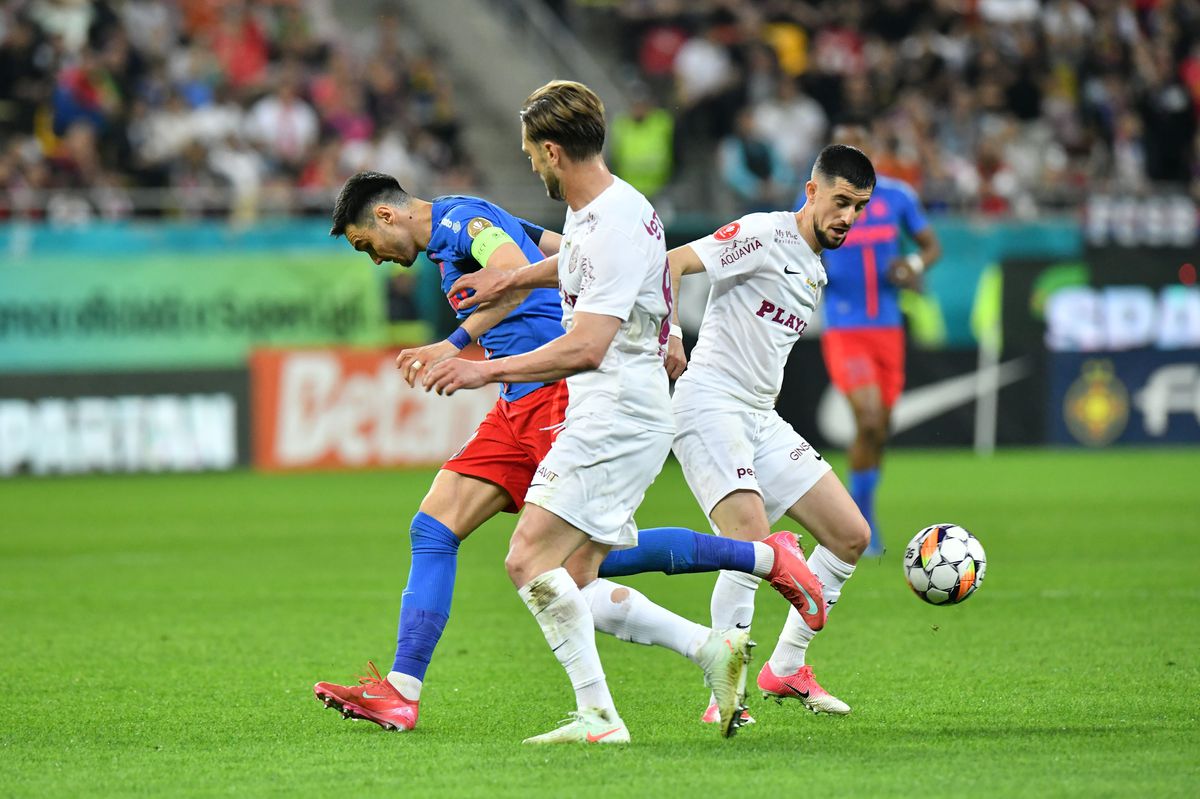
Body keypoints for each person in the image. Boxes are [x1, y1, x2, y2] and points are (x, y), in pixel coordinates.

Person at [313, 89, 823, 742]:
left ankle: (752, 564)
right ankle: (403, 692)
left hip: (555, 393)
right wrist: (660, 324)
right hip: (518, 405)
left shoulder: (459, 225)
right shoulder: (577, 218)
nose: (375, 256)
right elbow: (561, 253)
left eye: (367, 243)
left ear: (386, 213)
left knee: (579, 565)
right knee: (436, 527)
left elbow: (514, 267)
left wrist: (461, 343)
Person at [423, 79, 761, 744]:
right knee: (576, 580)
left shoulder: (610, 221)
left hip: (614, 413)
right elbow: (577, 265)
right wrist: (511, 277)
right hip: (619, 410)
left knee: (526, 559)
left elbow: (586, 346)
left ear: (552, 151)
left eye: (530, 155)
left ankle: (600, 717)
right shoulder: (601, 209)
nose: (530, 165)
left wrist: (481, 369)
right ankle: (709, 648)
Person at [651, 143, 878, 720]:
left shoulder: (816, 268)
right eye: (841, 202)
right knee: (751, 544)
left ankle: (784, 668)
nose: (848, 217)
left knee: (850, 534)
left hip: (759, 417)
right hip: (708, 405)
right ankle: (723, 694)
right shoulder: (764, 235)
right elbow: (670, 262)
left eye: (860, 207)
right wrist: (672, 333)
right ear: (811, 191)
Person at [796, 124, 942, 556]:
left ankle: (864, 508)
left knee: (879, 428)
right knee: (870, 415)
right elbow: (796, 241)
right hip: (844, 326)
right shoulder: (820, 196)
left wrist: (912, 264)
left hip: (889, 328)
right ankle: (858, 522)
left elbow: (931, 246)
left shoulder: (897, 196)